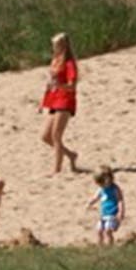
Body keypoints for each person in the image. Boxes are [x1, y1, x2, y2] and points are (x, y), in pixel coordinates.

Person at [41, 33, 80, 174]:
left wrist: (60, 85)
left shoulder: (69, 64)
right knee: (46, 136)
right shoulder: (56, 60)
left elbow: (72, 86)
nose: (54, 48)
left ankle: (56, 169)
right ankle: (71, 155)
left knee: (56, 135)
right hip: (54, 99)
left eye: (56, 45)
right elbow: (51, 83)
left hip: (65, 100)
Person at [86, 167, 125, 246]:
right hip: (103, 214)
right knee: (99, 230)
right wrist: (90, 202)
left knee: (108, 230)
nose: (101, 185)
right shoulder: (101, 189)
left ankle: (110, 245)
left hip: (112, 214)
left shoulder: (114, 188)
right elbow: (96, 197)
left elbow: (120, 200)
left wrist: (121, 212)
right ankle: (100, 245)